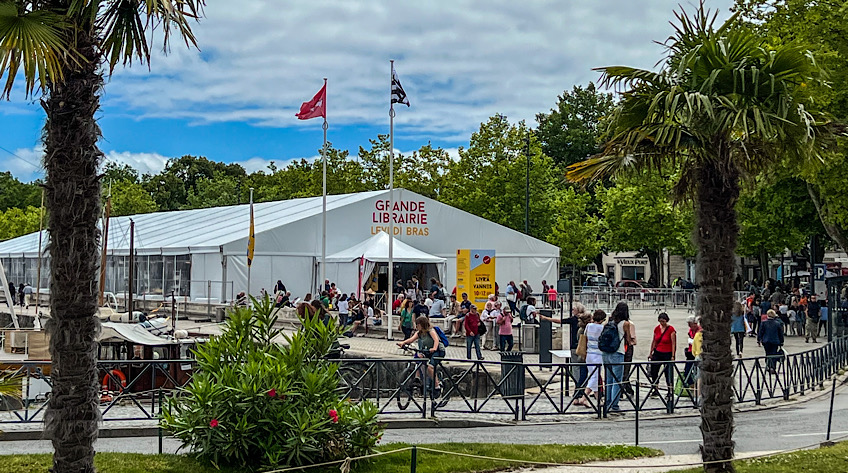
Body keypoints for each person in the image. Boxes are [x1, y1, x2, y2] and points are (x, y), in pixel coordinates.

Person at [397, 316, 444, 397]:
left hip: (438, 351)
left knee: (430, 367)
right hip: (427, 351)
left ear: (422, 324)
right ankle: (418, 378)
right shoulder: (419, 333)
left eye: (417, 324)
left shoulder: (431, 331)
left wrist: (434, 348)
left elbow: (436, 340)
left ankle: (437, 386)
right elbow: (411, 339)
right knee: (418, 357)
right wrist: (403, 343)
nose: (416, 326)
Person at [603, 302, 631, 415]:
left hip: (605, 353)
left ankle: (608, 402)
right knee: (617, 380)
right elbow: (628, 340)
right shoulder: (625, 323)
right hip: (617, 352)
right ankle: (614, 405)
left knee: (608, 379)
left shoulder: (609, 320)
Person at [648, 312, 676, 396]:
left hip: (667, 352)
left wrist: (673, 355)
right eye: (660, 321)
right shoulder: (657, 329)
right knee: (654, 371)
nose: (662, 323)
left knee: (668, 373)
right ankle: (655, 388)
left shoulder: (671, 329)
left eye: (663, 321)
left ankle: (670, 390)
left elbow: (673, 343)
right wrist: (651, 352)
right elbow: (654, 341)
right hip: (657, 352)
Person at [584, 310, 606, 406]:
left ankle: (598, 400)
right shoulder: (602, 328)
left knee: (593, 375)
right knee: (595, 376)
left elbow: (585, 337)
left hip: (589, 353)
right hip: (598, 354)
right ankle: (584, 397)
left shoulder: (588, 326)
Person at [683, 314, 702, 390]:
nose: (689, 326)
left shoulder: (700, 331)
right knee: (687, 371)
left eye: (690, 324)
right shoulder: (690, 330)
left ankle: (697, 389)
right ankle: (692, 386)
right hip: (691, 352)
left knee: (698, 373)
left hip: (698, 353)